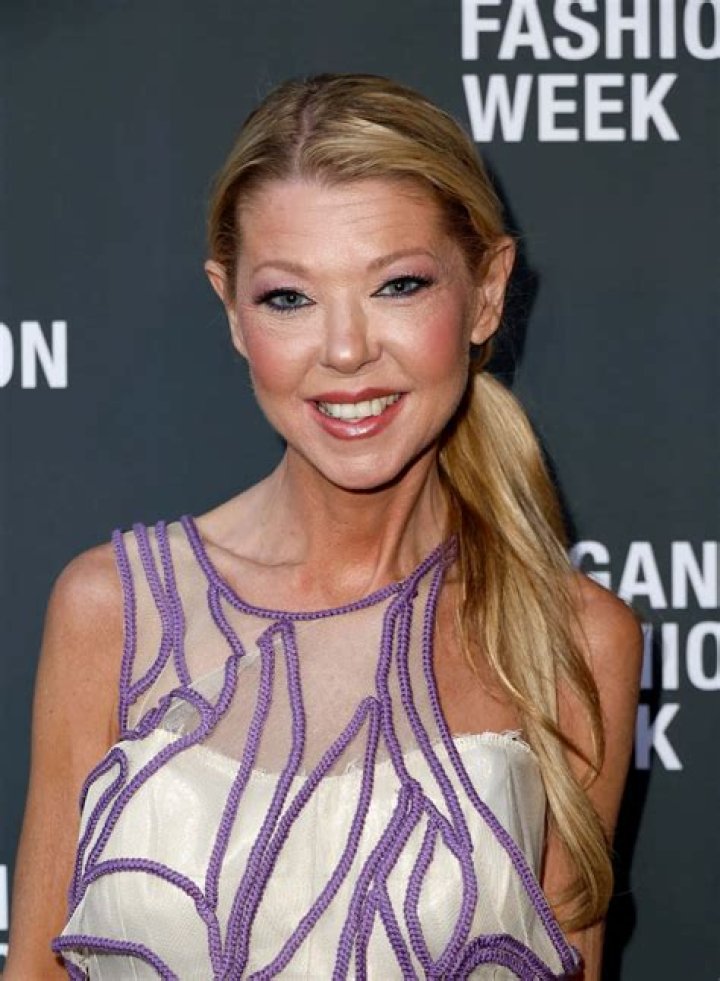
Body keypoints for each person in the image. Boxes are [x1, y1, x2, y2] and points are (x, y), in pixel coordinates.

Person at [4, 73, 642, 980]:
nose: (345, 349)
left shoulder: (573, 640)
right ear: (231, 308)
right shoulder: (111, 611)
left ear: (488, 292)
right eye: (289, 298)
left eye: (398, 285)